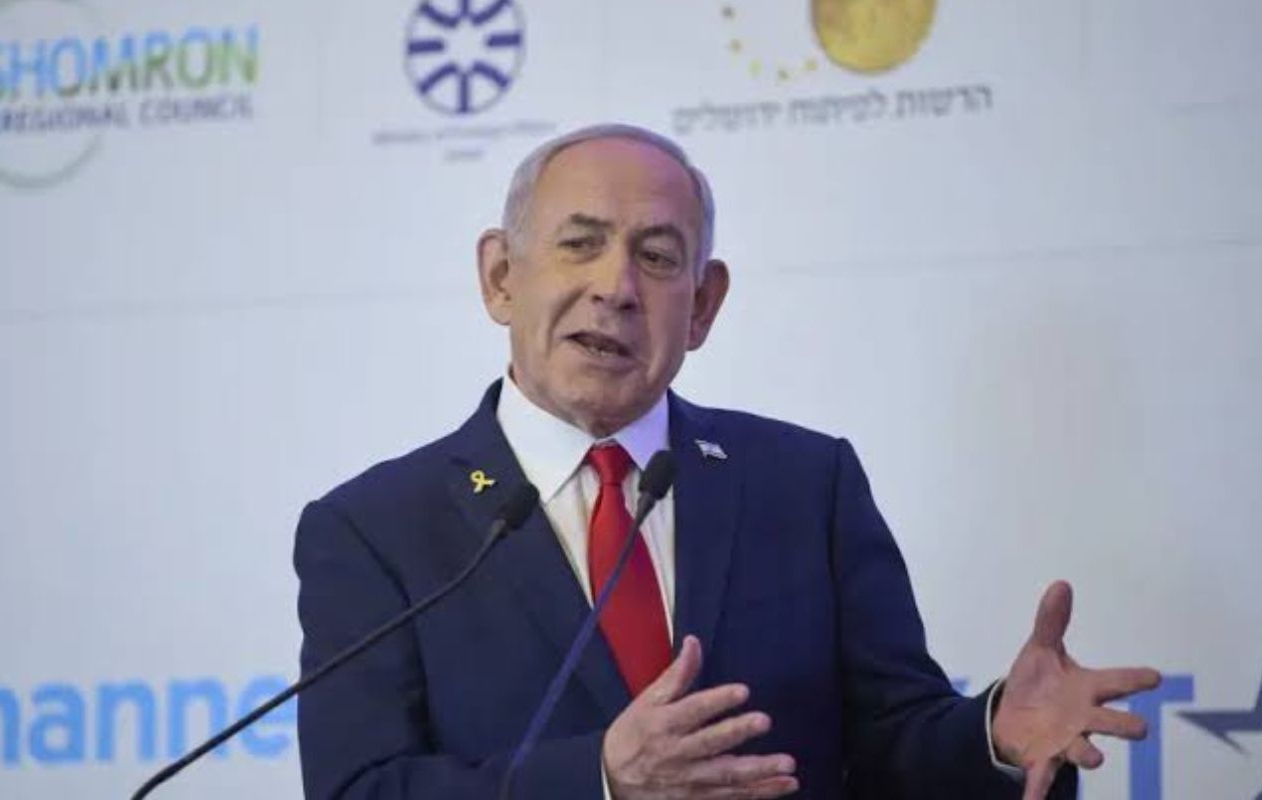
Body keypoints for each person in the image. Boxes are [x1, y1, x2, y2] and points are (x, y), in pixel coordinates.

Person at [293, 124, 1160, 799]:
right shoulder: (376, 530)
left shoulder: (805, 486)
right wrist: (600, 780)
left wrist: (991, 737)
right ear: (500, 277)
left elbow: (894, 748)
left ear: (703, 305)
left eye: (656, 257)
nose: (616, 287)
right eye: (580, 243)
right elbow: (358, 792)